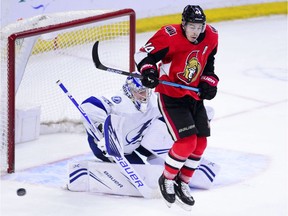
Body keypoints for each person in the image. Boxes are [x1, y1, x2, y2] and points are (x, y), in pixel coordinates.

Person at [134, 5, 219, 207]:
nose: (196, 31)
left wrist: (209, 82)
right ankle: (168, 179)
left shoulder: (212, 36)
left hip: (194, 96)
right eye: (191, 26)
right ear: (183, 24)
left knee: (200, 144)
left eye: (199, 27)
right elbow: (142, 55)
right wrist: (149, 72)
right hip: (171, 96)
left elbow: (208, 64)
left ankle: (183, 183)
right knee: (187, 143)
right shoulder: (169, 35)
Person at [80, 73, 218, 190]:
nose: (144, 96)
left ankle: (183, 169)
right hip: (112, 147)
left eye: (146, 91)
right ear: (129, 90)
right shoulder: (120, 102)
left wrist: (194, 116)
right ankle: (92, 172)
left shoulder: (153, 101)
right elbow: (89, 104)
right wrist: (102, 133)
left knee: (163, 134)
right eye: (140, 92)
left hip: (139, 141)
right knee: (142, 173)